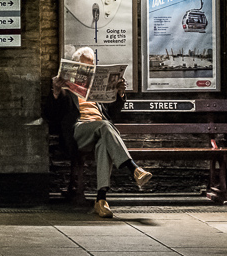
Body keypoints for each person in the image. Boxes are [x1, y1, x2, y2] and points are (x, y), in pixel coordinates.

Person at [44, 46, 151, 218]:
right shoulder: (65, 89)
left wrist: (120, 94)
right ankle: (133, 169)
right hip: (78, 131)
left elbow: (113, 114)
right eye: (86, 66)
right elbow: (51, 115)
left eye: (92, 66)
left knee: (103, 142)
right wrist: (55, 92)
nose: (90, 70)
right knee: (105, 126)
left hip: (99, 131)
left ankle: (101, 200)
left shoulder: (95, 89)